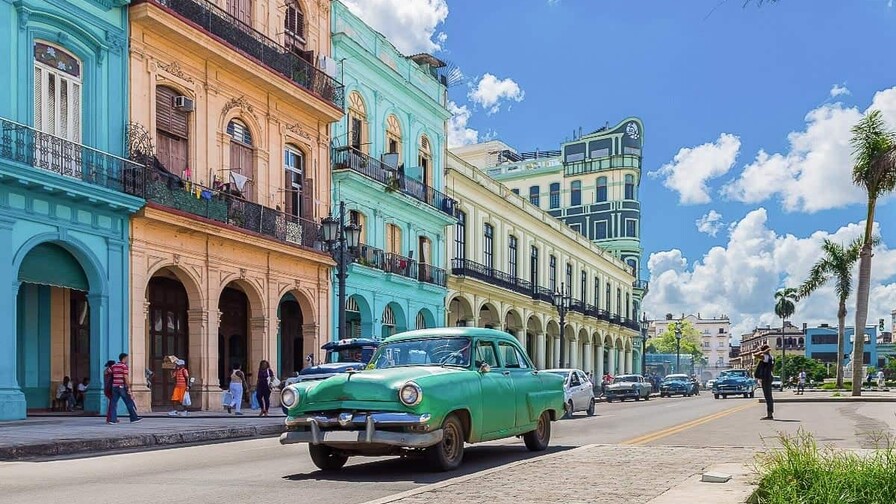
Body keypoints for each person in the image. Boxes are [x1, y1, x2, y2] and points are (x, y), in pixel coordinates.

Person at [108, 353, 142, 424]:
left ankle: (112, 419)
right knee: (128, 402)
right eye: (127, 358)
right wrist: (129, 387)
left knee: (113, 403)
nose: (128, 359)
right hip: (122, 387)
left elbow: (107, 371)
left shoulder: (114, 366)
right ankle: (134, 418)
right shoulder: (124, 366)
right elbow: (125, 377)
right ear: (124, 358)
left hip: (114, 386)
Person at [753, 344, 775, 420]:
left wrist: (762, 351)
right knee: (769, 396)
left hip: (766, 378)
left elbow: (755, 355)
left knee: (768, 396)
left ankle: (770, 415)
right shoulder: (772, 357)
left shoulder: (765, 357)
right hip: (769, 376)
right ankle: (770, 413)